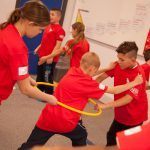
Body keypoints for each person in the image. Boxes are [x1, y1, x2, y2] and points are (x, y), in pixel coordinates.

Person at [18, 52, 142, 150]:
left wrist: (106, 68)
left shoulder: (72, 71)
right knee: (81, 135)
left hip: (47, 117)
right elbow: (115, 90)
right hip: (66, 122)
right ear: (92, 68)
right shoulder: (89, 84)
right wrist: (134, 83)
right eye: (94, 70)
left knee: (31, 145)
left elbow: (88, 73)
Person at [0, 0, 57, 106]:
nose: (40, 33)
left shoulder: (5, 27)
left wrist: (26, 77)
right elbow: (25, 89)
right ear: (31, 24)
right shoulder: (18, 48)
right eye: (40, 29)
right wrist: (50, 98)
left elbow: (8, 62)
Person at [96, 41, 148, 146]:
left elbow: (128, 99)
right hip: (121, 114)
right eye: (118, 58)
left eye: (122, 59)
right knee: (111, 136)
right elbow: (100, 78)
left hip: (134, 117)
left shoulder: (139, 75)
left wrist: (105, 105)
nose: (118, 61)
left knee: (127, 144)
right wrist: (88, 90)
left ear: (133, 59)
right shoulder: (118, 65)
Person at [34, 8, 65, 94]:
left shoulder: (60, 30)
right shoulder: (48, 26)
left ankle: (48, 94)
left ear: (58, 17)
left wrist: (51, 56)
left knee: (47, 76)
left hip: (50, 58)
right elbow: (44, 40)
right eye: (49, 14)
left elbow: (58, 45)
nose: (50, 16)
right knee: (40, 74)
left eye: (52, 14)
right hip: (42, 55)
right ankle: (38, 91)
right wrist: (38, 48)